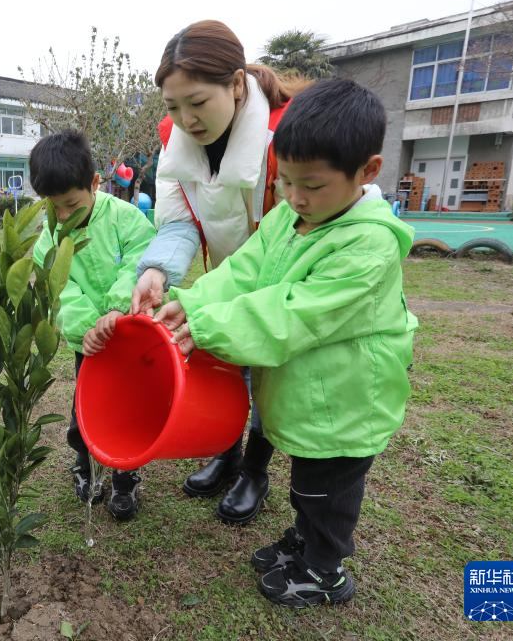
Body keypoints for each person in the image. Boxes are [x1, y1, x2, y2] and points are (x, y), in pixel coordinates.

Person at [155, 78, 418, 607]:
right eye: (287, 182)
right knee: (307, 485)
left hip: (345, 404)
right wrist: (194, 303)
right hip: (308, 396)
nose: (296, 197)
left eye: (313, 185)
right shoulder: (290, 217)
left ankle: (325, 571)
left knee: (327, 493)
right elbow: (245, 273)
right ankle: (305, 540)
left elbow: (290, 315)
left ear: (367, 172)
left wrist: (206, 328)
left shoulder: (366, 248)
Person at [131, 20, 305, 524]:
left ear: (234, 85)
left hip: (282, 273)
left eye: (198, 102)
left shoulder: (285, 135)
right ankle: (224, 451)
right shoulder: (176, 142)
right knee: (223, 359)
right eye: (173, 106)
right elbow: (181, 220)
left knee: (266, 374)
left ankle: (255, 469)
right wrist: (159, 271)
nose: (186, 119)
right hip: (225, 273)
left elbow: (292, 229)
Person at [30, 131, 156, 521]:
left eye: (71, 204)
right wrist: (89, 326)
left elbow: (139, 260)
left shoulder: (125, 218)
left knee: (128, 410)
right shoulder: (49, 235)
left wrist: (118, 309)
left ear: (95, 184)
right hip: (90, 346)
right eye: (54, 207)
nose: (63, 216)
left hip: (131, 339)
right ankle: (85, 468)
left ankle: (124, 478)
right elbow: (58, 288)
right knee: (85, 412)